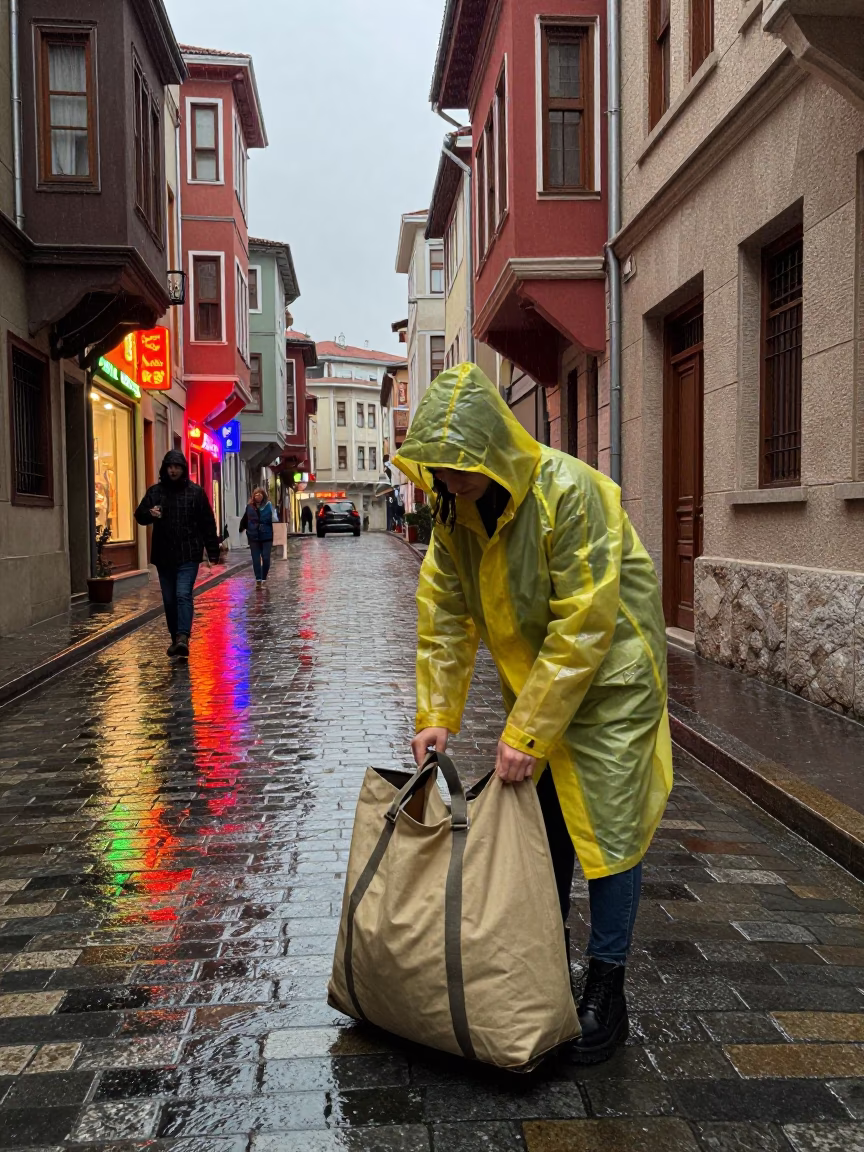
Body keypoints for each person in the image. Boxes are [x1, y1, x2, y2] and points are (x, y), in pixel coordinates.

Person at [393, 364, 673, 1065]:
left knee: (607, 832)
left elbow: (585, 621)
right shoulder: (455, 512)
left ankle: (607, 995)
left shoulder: (571, 493)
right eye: (439, 467)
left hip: (613, 681)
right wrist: (437, 713)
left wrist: (526, 731)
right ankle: (545, 977)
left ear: (491, 451)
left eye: (459, 465)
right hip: (546, 683)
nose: (448, 478)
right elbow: (446, 612)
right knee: (541, 823)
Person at [134, 450, 222, 659]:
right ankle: (176, 638)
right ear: (165, 469)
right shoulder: (155, 492)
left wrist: (213, 551)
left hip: (188, 554)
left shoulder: (195, 493)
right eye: (170, 467)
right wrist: (150, 514)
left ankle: (183, 637)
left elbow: (207, 523)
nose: (173, 470)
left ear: (183, 469)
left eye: (177, 467)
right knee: (169, 599)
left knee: (183, 594)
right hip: (164, 555)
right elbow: (139, 515)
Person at [239, 487, 278, 586]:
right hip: (253, 535)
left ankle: (264, 576)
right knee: (255, 559)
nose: (258, 497)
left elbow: (275, 519)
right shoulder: (250, 507)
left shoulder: (269, 506)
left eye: (260, 495)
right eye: (256, 495)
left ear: (263, 496)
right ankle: (258, 578)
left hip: (267, 535)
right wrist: (242, 528)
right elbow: (245, 518)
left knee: (266, 557)